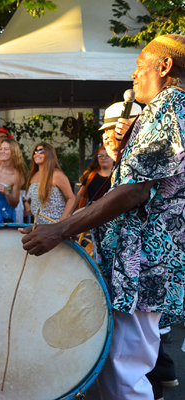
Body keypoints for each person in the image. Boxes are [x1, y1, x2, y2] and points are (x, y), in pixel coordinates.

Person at [20, 34, 185, 400]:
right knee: (118, 369)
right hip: (142, 263)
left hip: (142, 264)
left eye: (141, 64)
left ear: (165, 66)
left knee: (124, 374)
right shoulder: (167, 112)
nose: (134, 73)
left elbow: (135, 192)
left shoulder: (168, 107)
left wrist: (60, 229)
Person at [24, 142, 75, 224]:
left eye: (41, 151)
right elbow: (34, 197)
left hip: (55, 224)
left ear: (49, 155)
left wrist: (62, 221)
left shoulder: (56, 175)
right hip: (39, 225)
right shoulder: (33, 176)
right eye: (35, 152)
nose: (37, 154)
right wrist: (27, 203)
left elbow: (71, 198)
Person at [70, 146, 114, 213]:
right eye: (100, 155)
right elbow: (80, 195)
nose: (103, 158)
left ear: (113, 158)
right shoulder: (90, 176)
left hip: (111, 212)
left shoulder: (118, 175)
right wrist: (70, 213)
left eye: (107, 155)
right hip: (92, 213)